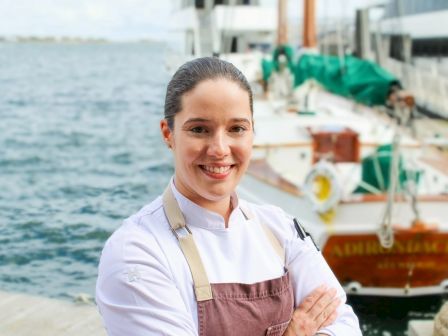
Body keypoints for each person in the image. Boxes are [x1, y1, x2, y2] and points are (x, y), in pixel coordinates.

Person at [96, 57, 362, 336]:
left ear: (252, 132)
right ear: (168, 134)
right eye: (199, 129)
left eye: (236, 129)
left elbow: (345, 325)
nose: (220, 149)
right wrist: (294, 332)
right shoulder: (136, 253)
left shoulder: (280, 228)